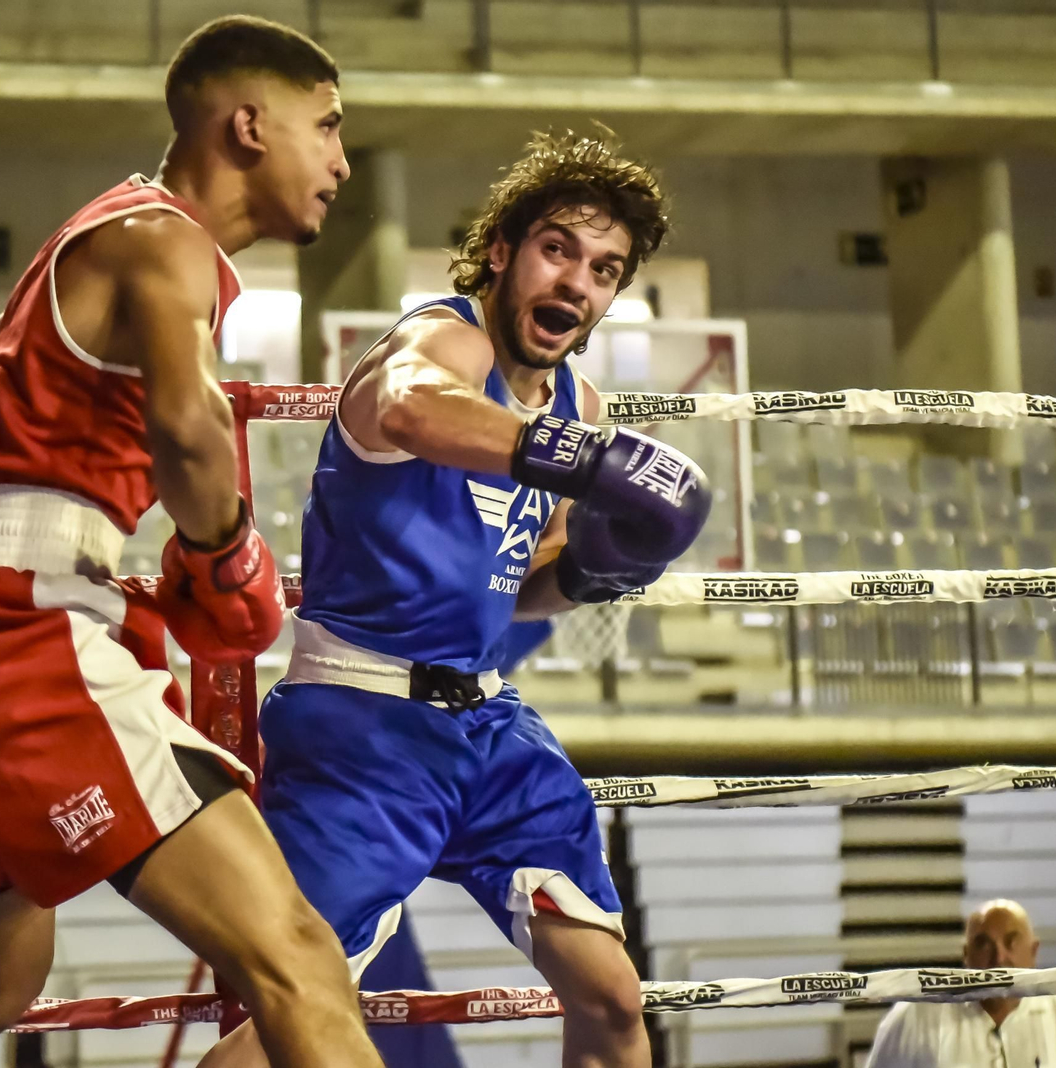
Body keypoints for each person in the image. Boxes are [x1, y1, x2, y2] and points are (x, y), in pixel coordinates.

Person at [0, 17, 379, 1068]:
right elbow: (190, 430)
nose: (342, 161)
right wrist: (226, 557)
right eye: (328, 127)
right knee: (299, 960)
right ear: (251, 126)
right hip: (21, 630)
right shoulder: (167, 240)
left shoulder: (99, 234)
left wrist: (41, 503)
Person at [203, 128, 706, 1068]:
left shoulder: (578, 405)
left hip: (489, 728)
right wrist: (587, 462)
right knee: (289, 1026)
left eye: (604, 269)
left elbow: (512, 593)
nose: (576, 284)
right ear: (503, 251)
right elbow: (406, 405)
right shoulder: (443, 337)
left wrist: (596, 572)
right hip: (360, 724)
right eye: (558, 250)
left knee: (612, 1001)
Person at [867, 899, 1056, 1067]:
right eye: (984, 944)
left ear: (1034, 953)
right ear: (966, 955)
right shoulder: (915, 1016)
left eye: (1011, 943)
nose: (999, 958)